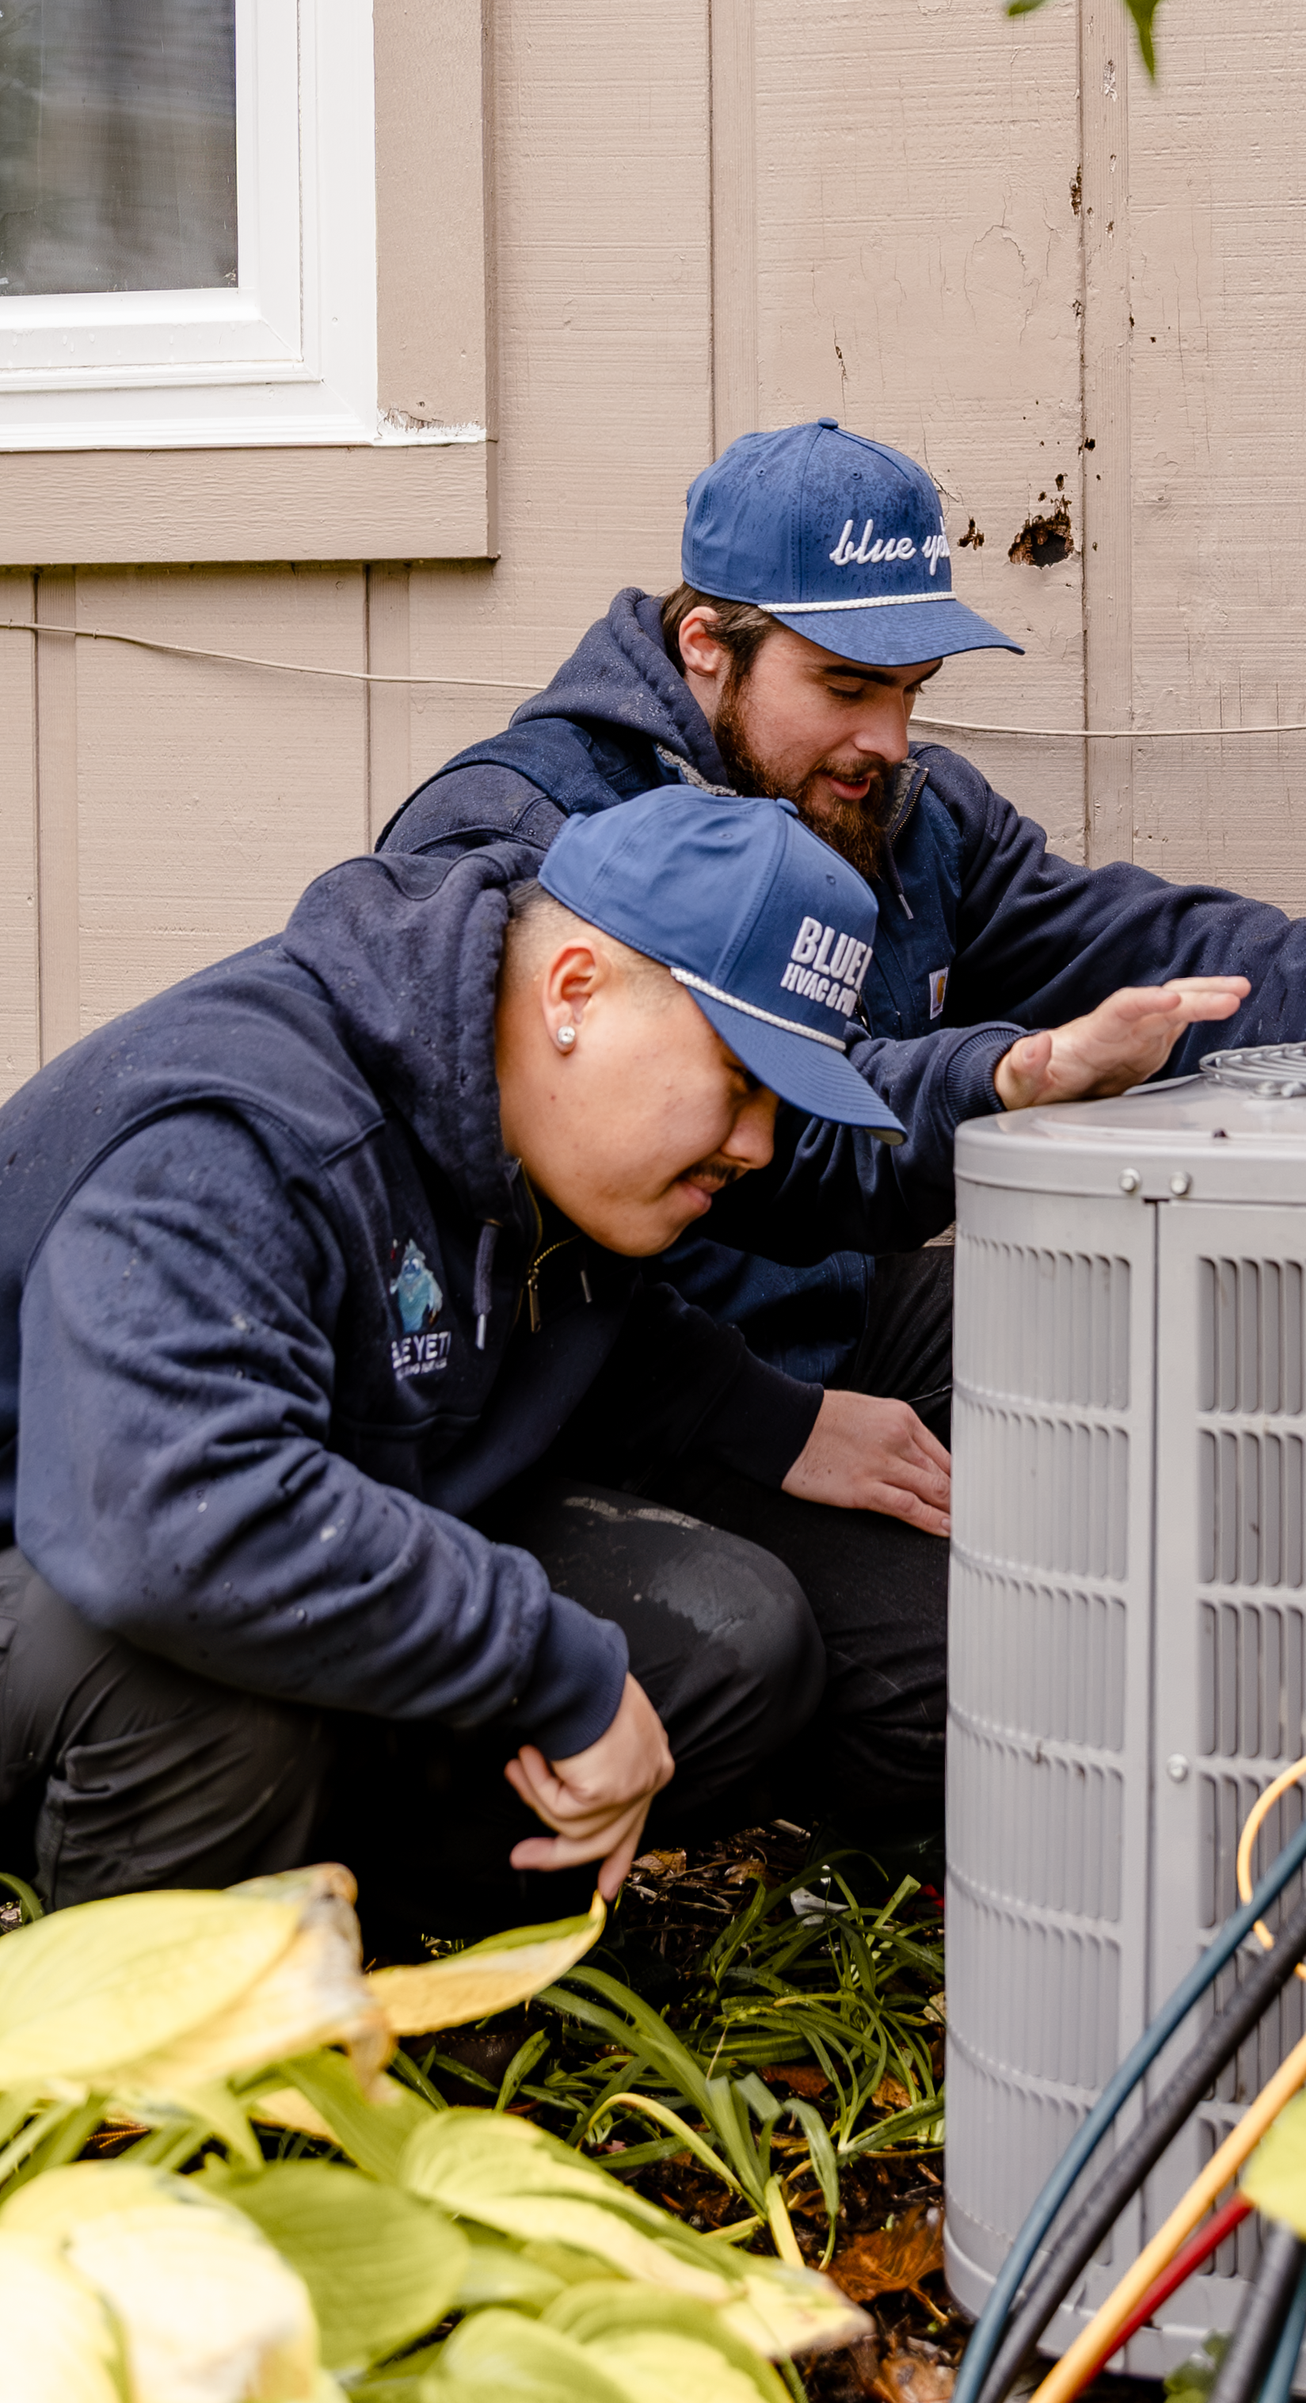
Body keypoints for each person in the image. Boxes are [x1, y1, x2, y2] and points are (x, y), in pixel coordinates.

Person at [0, 785, 1228, 1912]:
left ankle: (347, 1926)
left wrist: (766, 1418)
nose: (756, 1147)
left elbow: (550, 1305)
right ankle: (128, 2079)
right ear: (575, 989)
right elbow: (177, 1512)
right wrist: (546, 1663)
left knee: (732, 1650)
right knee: (208, 1689)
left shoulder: (525, 1105)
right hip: (73, 1572)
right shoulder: (239, 1132)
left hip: (242, 1531)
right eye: (742, 1084)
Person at [382, 417, 1306, 1524]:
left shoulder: (902, 814)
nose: (889, 740)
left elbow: (1147, 948)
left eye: (913, 692)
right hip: (620, 1394)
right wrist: (768, 1415)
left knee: (1148, 1349)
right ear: (707, 646)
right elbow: (479, 1233)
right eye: (848, 687)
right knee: (951, 1648)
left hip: (834, 1307)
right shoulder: (518, 839)